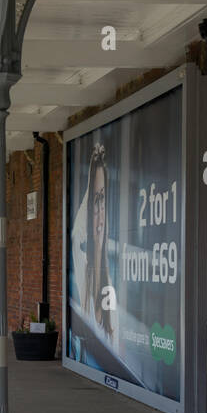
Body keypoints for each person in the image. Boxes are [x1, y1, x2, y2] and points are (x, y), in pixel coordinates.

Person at [84, 142, 114, 338]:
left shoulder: (110, 282)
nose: (100, 217)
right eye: (95, 202)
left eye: (102, 200)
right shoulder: (81, 272)